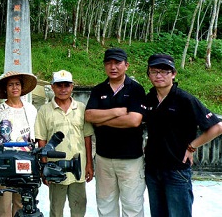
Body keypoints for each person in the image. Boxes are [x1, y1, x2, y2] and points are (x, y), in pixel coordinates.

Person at [143, 54, 222, 217]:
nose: (159, 75)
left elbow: (217, 127)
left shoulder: (185, 99)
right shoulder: (149, 99)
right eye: (154, 71)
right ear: (149, 74)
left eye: (165, 71)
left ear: (173, 74)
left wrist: (192, 147)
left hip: (176, 169)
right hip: (153, 170)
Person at [85, 48, 146, 217]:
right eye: (108, 63)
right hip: (104, 158)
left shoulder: (135, 89)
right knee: (105, 206)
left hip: (130, 160)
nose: (113, 67)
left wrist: (101, 119)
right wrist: (117, 112)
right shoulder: (99, 90)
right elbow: (89, 115)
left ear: (126, 65)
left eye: (117, 63)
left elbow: (134, 120)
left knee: (132, 206)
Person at [35, 70, 94, 217]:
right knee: (56, 211)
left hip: (78, 168)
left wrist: (89, 164)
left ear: (72, 87)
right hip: (55, 169)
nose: (63, 89)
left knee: (79, 208)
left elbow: (87, 137)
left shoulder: (81, 108)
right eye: (59, 85)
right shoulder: (44, 110)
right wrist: (44, 167)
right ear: (52, 87)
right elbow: (41, 140)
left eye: (66, 85)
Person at [0, 71, 38, 217]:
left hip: (25, 164)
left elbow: (35, 138)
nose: (14, 87)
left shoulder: (30, 109)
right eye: (10, 85)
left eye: (17, 84)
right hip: (4, 165)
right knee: (3, 207)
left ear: (22, 87)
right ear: (5, 88)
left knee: (22, 204)